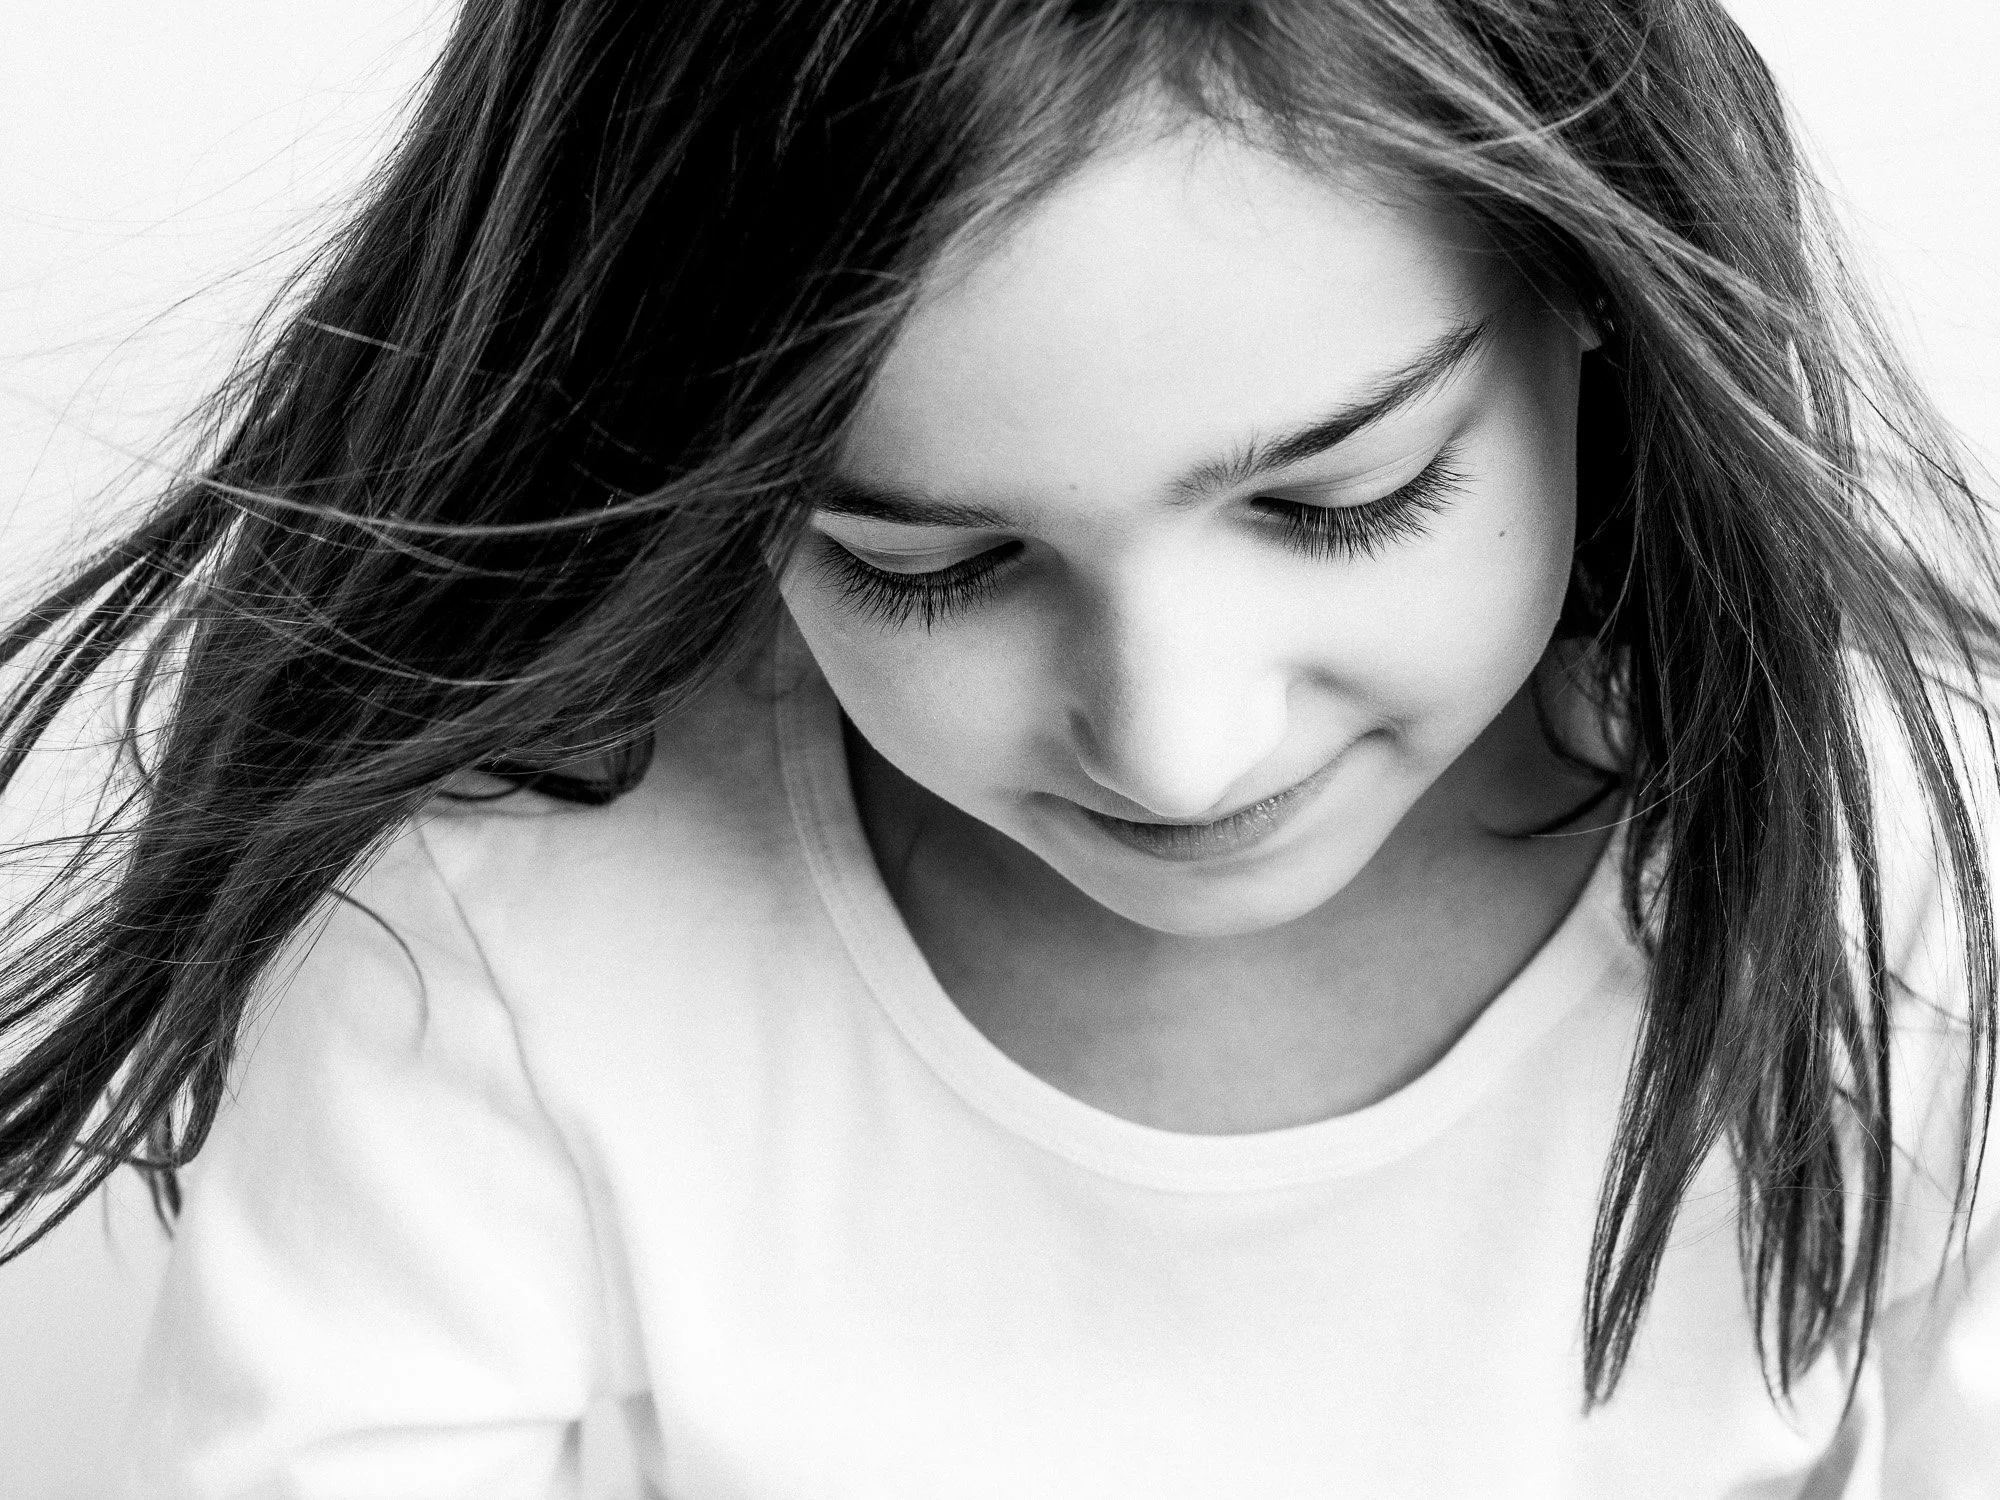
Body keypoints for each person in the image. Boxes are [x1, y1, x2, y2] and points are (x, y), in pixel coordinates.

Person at [1, 0, 1995, 1493]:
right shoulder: (488, 943)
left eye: (1340, 501)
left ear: (1601, 296)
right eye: (933, 566)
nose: (1180, 748)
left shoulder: (1905, 866)